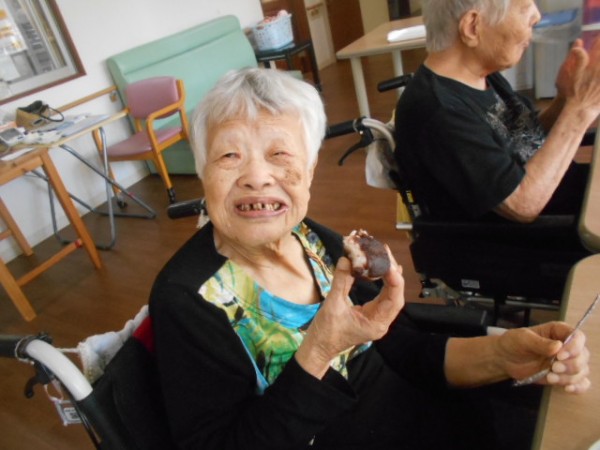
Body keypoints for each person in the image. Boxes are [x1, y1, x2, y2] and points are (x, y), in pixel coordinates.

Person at [149, 68, 590, 450]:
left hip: (426, 414)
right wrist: (320, 350)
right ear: (203, 173)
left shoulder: (312, 239)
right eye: (229, 156)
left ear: (310, 169)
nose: (257, 177)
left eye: (279, 154)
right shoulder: (187, 299)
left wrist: (502, 354)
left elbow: (405, 351)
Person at [394, 0, 600, 223]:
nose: (537, 16)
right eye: (524, 9)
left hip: (573, 195)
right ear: (473, 27)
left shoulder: (480, 75)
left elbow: (523, 138)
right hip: (547, 233)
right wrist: (580, 110)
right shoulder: (438, 111)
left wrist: (565, 100)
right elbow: (522, 205)